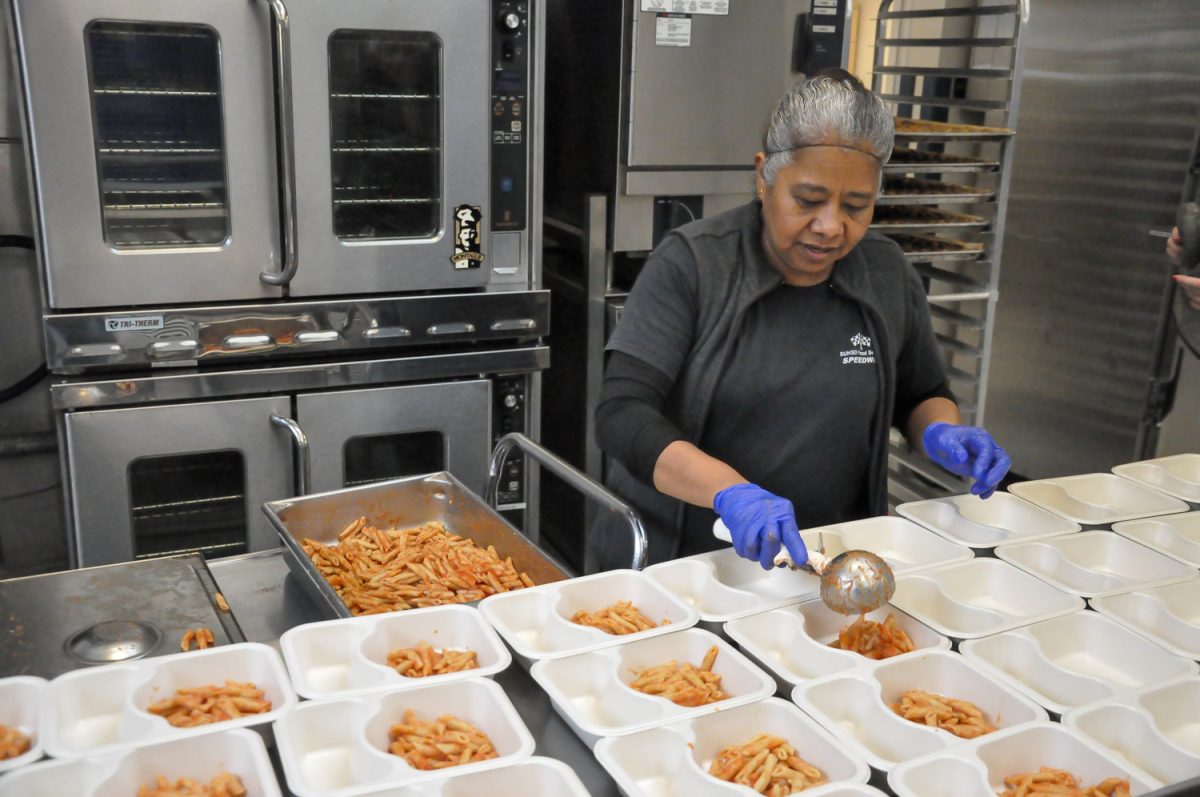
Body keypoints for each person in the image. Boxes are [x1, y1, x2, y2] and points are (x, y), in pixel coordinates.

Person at [593, 69, 1011, 572]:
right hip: (690, 569)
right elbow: (622, 414)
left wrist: (943, 433)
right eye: (808, 201)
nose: (831, 226)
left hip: (828, 566)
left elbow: (921, 392)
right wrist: (730, 492)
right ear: (763, 175)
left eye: (857, 206)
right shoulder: (693, 265)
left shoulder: (885, 271)